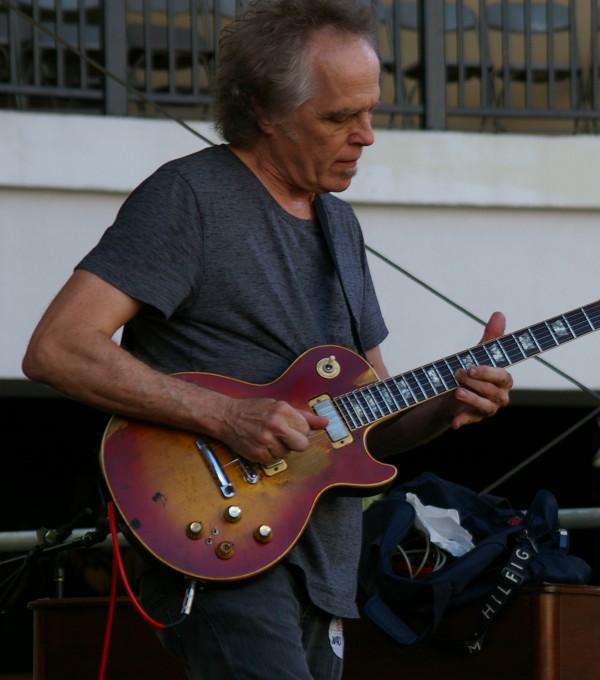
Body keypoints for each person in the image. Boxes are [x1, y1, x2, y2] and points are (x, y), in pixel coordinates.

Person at [20, 0, 513, 678]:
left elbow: (367, 424)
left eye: (370, 111)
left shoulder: (341, 229)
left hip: (323, 565)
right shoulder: (189, 198)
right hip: (220, 545)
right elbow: (58, 347)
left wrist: (446, 404)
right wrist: (226, 415)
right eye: (339, 117)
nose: (366, 135)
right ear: (263, 110)